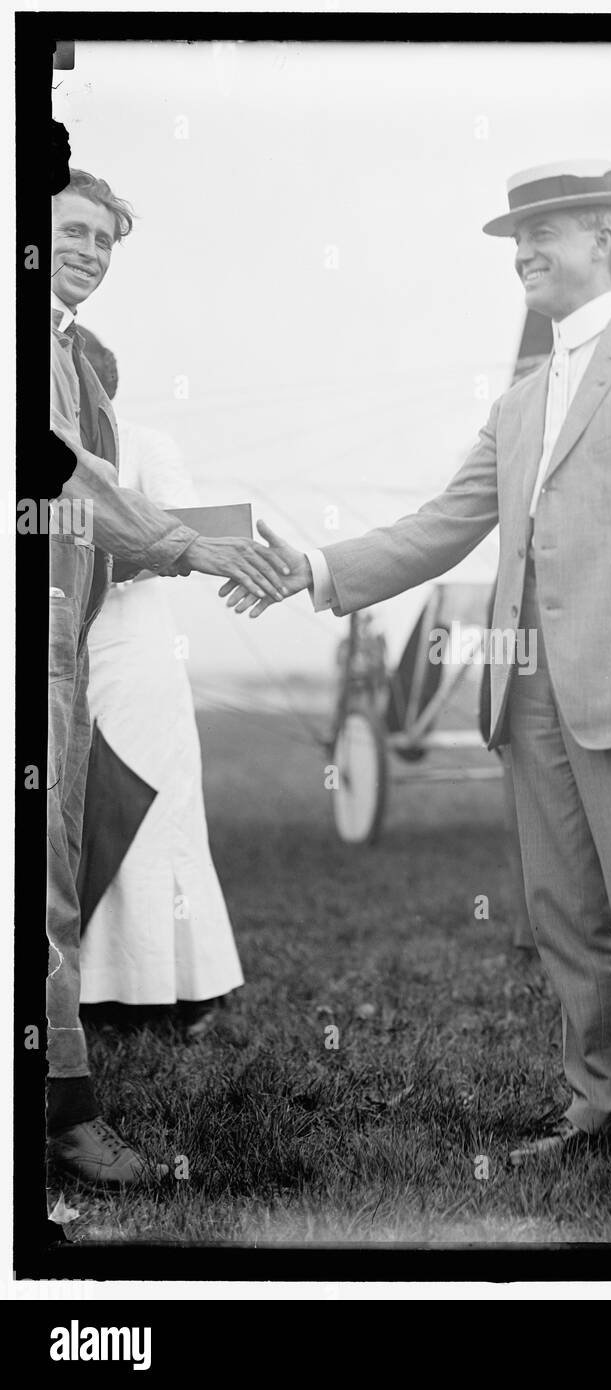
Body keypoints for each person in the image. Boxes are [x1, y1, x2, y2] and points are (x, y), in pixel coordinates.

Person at [226, 158, 611, 1209]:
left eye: (545, 232)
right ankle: (600, 1102)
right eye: (516, 238)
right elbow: (440, 525)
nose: (524, 252)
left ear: (607, 240)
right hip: (528, 700)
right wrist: (316, 570)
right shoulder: (518, 403)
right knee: (564, 917)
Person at [48, 168, 287, 1187]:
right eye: (72, 231)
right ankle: (65, 1114)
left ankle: (60, 1099)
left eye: (106, 239)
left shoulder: (65, 356)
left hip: (64, 645)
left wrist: (236, 543)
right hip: (50, 645)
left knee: (48, 877)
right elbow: (56, 472)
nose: (92, 252)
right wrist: (194, 545)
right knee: (41, 881)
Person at [75, 333, 244, 1037]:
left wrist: (108, 548)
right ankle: (85, 985)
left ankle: (173, 987)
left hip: (134, 646)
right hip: (64, 645)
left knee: (148, 805)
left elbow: (188, 528)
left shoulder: (144, 443)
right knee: (76, 810)